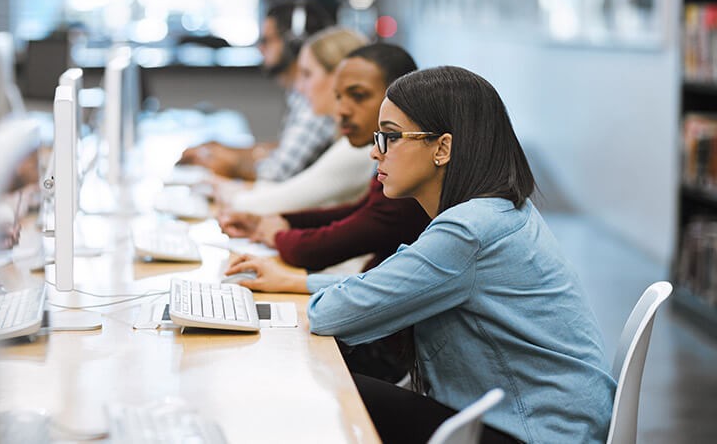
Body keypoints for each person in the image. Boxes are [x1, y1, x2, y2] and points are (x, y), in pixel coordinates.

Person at [226, 66, 616, 443]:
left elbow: (332, 314)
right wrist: (297, 282)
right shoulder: (496, 210)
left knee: (318, 379)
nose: (375, 154)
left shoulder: (467, 231)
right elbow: (392, 285)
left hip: (531, 432)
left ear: (442, 148)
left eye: (391, 137)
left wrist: (305, 292)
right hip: (554, 423)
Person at [219, 44, 429, 274]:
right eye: (338, 97)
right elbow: (361, 211)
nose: (342, 111)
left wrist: (279, 235)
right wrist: (283, 223)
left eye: (358, 96)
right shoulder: (381, 153)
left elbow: (361, 229)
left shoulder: (406, 165)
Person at [179, 0, 336, 181]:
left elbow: (275, 174)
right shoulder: (300, 96)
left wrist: (221, 161)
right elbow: (282, 150)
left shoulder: (314, 103)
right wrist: (224, 150)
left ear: (294, 44)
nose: (260, 48)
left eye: (266, 41)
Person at [223, 26, 371, 214]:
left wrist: (223, 192)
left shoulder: (357, 147)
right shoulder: (345, 138)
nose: (300, 88)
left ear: (339, 77)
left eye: (307, 74)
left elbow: (276, 200)